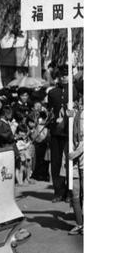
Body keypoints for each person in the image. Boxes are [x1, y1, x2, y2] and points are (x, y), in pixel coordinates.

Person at [46, 67, 70, 201]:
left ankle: (70, 192)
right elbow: (50, 111)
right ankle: (58, 192)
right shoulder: (52, 92)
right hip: (56, 132)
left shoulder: (74, 90)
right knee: (55, 162)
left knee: (69, 162)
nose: (63, 78)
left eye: (66, 75)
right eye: (61, 75)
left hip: (70, 132)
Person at [66, 92, 84, 235]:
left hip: (82, 160)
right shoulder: (75, 114)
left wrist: (76, 153)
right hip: (74, 162)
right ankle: (79, 224)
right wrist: (69, 117)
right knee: (75, 194)